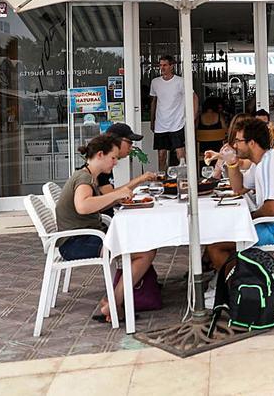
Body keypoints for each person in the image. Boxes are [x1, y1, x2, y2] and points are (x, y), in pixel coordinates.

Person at [54, 134, 157, 322]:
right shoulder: (85, 178)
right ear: (100, 154)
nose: (116, 162)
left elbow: (92, 206)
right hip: (77, 242)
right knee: (146, 253)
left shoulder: (89, 176)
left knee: (143, 247)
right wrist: (113, 197)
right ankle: (113, 303)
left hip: (85, 237)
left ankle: (112, 302)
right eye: (113, 158)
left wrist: (116, 198)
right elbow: (83, 206)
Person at [207, 119, 274, 272]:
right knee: (221, 233)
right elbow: (238, 188)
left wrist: (250, 217)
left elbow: (272, 208)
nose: (234, 145)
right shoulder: (262, 162)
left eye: (238, 141)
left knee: (215, 246)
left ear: (252, 143)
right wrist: (232, 162)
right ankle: (235, 279)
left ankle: (238, 287)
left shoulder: (269, 165)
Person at [150, 55, 197, 173]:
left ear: (172, 66)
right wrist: (152, 121)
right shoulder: (155, 82)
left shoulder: (180, 81)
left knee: (180, 154)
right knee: (161, 156)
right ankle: (162, 181)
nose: (162, 68)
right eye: (160, 65)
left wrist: (192, 117)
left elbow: (194, 97)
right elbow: (154, 102)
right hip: (161, 123)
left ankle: (185, 179)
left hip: (177, 122)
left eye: (165, 65)